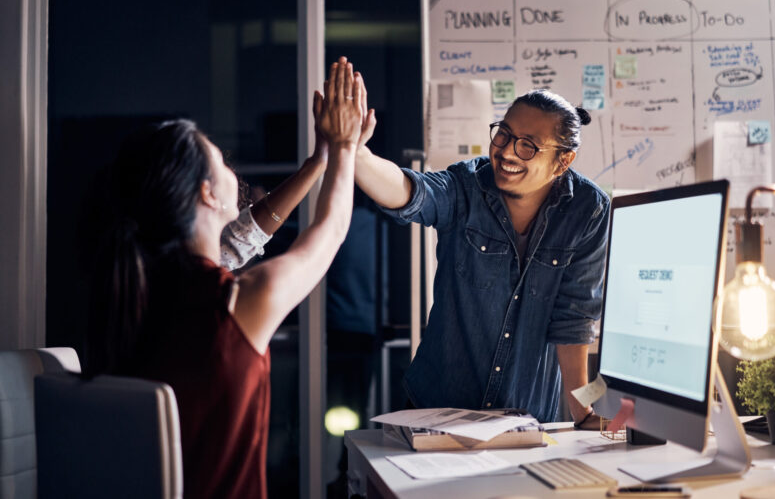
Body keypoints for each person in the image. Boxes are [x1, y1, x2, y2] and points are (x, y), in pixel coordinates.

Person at [86, 58, 364, 499]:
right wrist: (346, 146)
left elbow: (241, 240)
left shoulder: (142, 291)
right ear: (207, 193)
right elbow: (328, 233)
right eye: (221, 160)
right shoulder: (235, 305)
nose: (233, 170)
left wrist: (319, 160)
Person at [354, 88, 610, 427]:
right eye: (504, 133)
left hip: (525, 420)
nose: (506, 152)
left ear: (563, 161)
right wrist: (355, 154)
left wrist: (584, 411)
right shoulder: (466, 185)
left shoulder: (588, 210)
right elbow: (411, 192)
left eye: (527, 145)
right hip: (434, 410)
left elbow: (574, 320)